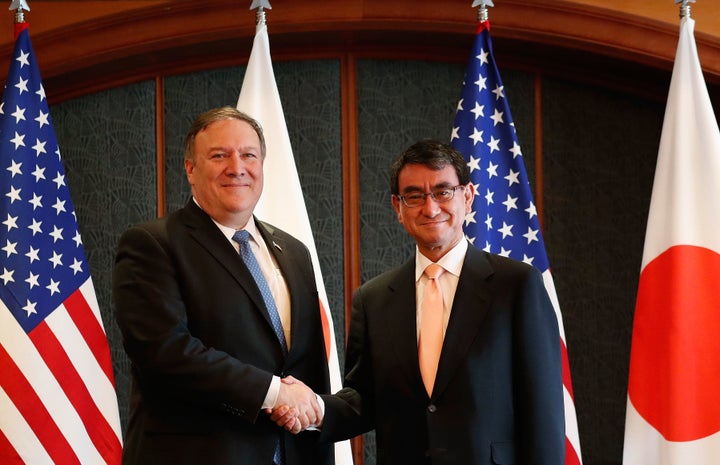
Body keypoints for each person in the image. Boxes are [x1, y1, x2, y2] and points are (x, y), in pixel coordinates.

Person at [275, 139, 565, 464]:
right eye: (414, 196)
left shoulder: (517, 285)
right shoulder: (373, 300)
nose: (430, 208)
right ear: (398, 208)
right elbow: (363, 401)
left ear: (467, 197)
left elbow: (543, 408)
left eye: (443, 191)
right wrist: (313, 408)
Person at [112, 106, 330, 465]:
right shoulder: (152, 244)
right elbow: (166, 354)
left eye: (249, 155)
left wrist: (305, 415)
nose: (237, 167)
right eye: (219, 155)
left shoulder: (294, 252)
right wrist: (274, 393)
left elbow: (309, 371)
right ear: (191, 169)